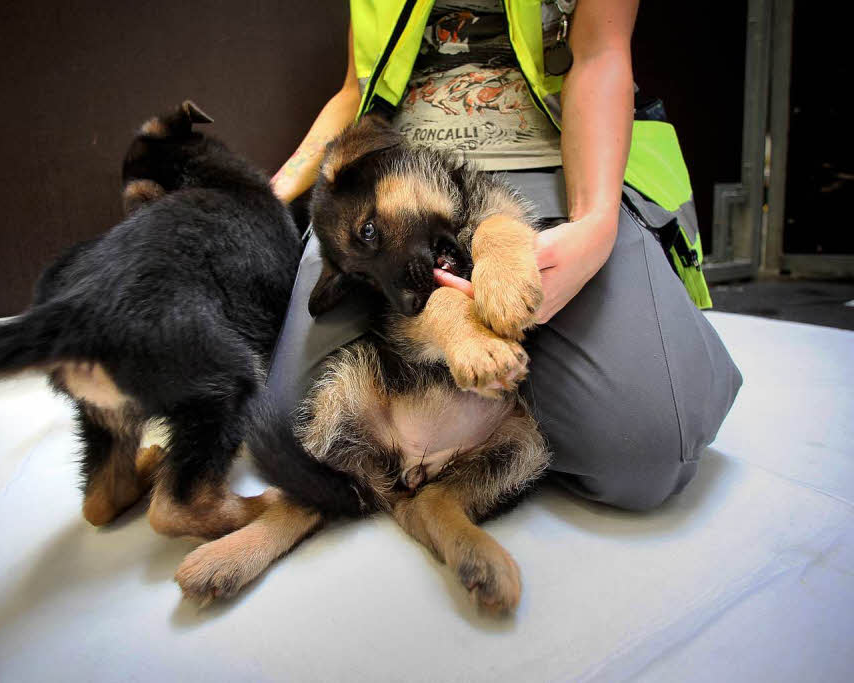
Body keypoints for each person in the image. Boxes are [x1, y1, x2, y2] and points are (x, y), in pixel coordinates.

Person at [265, 0, 742, 511]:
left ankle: (499, 416)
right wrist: (267, 196)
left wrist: (596, 224)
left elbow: (600, 55)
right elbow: (357, 88)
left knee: (648, 449)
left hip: (551, 155)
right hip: (395, 175)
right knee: (286, 428)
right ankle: (483, 415)